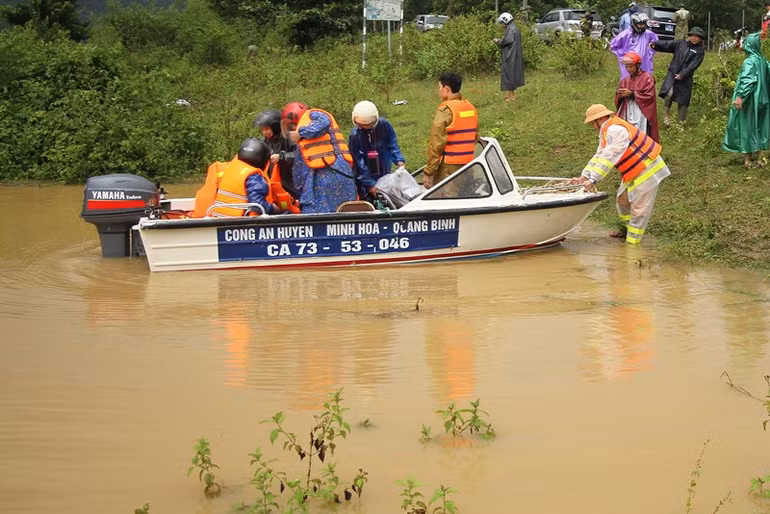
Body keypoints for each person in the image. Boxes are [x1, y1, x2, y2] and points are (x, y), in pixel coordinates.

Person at [570, 104, 671, 245]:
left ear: (598, 120)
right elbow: (600, 155)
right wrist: (584, 176)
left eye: (592, 123)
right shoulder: (606, 131)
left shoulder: (616, 130)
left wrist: (593, 179)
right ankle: (625, 231)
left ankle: (632, 246)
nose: (592, 127)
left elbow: (610, 156)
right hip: (633, 171)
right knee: (622, 202)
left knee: (639, 210)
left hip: (647, 170)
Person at [280, 102, 357, 214]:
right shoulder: (318, 137)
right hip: (345, 174)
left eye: (292, 125)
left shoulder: (311, 119)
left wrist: (300, 132)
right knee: (346, 211)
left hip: (322, 180)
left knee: (313, 210)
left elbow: (300, 176)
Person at [202, 138, 293, 217]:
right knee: (287, 213)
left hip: (220, 217)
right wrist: (274, 208)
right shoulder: (253, 176)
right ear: (263, 158)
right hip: (239, 221)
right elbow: (257, 205)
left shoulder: (232, 169)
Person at [723, 33, 770, 169]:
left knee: (746, 127)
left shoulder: (749, 61)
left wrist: (740, 97)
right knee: (760, 127)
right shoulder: (763, 61)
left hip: (751, 100)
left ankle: (747, 160)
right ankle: (761, 158)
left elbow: (748, 80)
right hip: (764, 99)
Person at [424, 72, 478, 189]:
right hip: (468, 166)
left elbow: (436, 143)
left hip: (449, 169)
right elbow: (475, 137)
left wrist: (429, 172)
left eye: (440, 87)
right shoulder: (471, 108)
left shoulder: (446, 110)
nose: (439, 90)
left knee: (446, 202)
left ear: (446, 89)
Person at [347, 100, 406, 202]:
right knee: (368, 199)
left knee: (386, 194)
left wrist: (399, 160)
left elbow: (392, 144)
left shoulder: (384, 125)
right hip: (365, 172)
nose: (367, 127)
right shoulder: (355, 135)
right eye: (363, 125)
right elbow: (359, 163)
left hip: (383, 166)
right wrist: (370, 184)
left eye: (370, 124)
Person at [651, 27, 706, 127]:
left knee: (683, 101)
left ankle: (681, 123)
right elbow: (668, 45)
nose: (694, 38)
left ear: (701, 38)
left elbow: (693, 65)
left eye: (697, 37)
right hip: (672, 74)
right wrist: (655, 44)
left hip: (685, 78)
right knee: (669, 94)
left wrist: (683, 74)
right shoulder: (680, 44)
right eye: (692, 35)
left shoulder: (700, 51)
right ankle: (666, 118)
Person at [615, 51, 660, 142]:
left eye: (630, 66)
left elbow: (649, 95)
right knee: (627, 131)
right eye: (626, 66)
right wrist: (620, 94)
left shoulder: (647, 78)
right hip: (627, 110)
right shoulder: (625, 80)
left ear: (638, 65)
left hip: (640, 111)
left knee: (640, 132)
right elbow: (618, 97)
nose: (628, 69)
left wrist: (632, 94)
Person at [253, 108, 298, 199]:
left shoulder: (289, 137)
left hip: (291, 184)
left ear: (276, 127)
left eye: (267, 129)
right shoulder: (265, 141)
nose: (265, 132)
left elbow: (300, 155)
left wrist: (282, 156)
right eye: (262, 130)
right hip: (274, 185)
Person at [610, 12, 658, 80]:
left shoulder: (648, 34)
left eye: (643, 24)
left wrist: (649, 53)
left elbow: (656, 43)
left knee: (644, 80)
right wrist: (622, 56)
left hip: (644, 61)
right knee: (628, 81)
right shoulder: (626, 34)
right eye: (640, 24)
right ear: (634, 23)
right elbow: (613, 45)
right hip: (630, 62)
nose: (642, 26)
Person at [493, 12, 525, 102]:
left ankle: (512, 96)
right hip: (514, 54)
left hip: (510, 55)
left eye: (502, 23)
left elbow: (507, 41)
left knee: (509, 74)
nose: (501, 25)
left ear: (505, 21)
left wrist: (498, 41)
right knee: (510, 74)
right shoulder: (514, 28)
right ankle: (509, 94)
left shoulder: (511, 29)